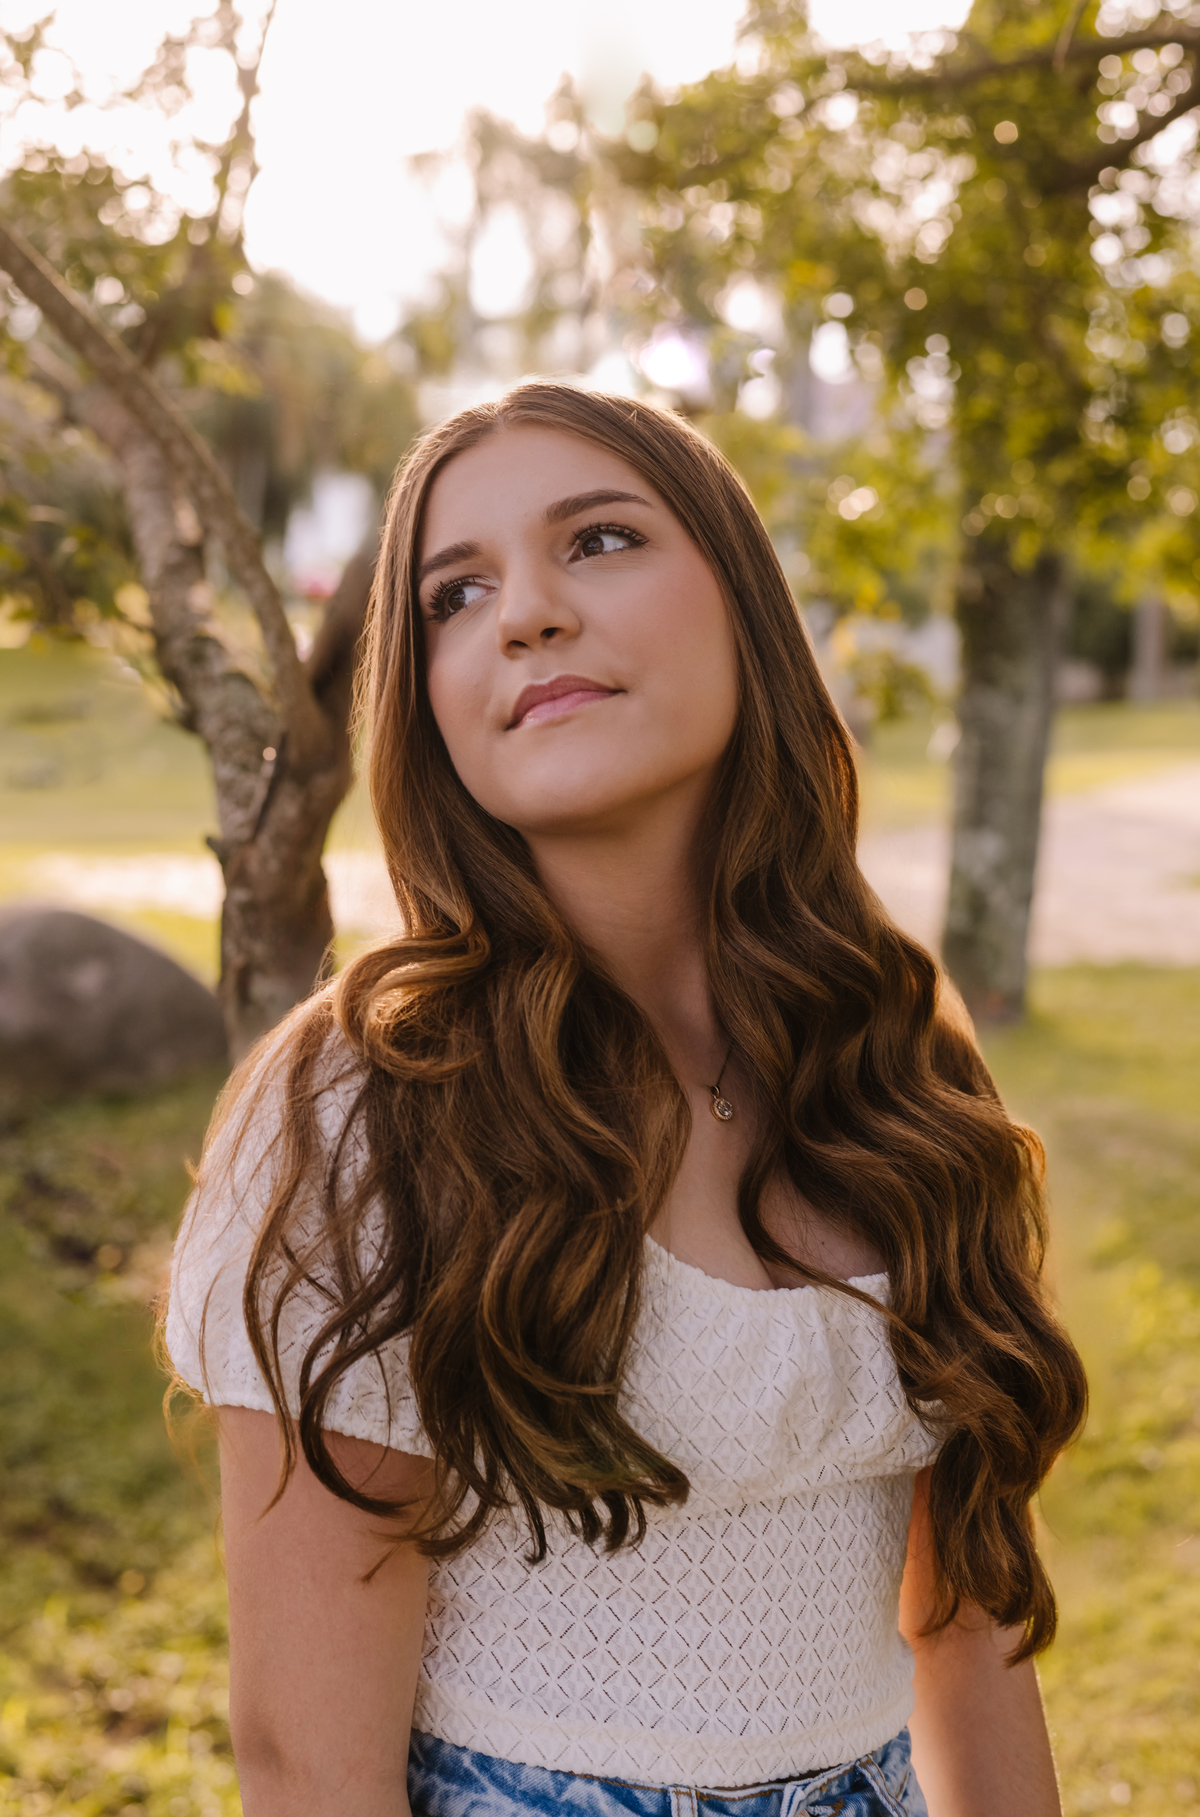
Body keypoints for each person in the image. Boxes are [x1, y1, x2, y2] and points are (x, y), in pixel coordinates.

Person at [165, 381, 1087, 1817]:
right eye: (454, 594)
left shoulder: (895, 1054)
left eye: (596, 541)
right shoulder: (369, 1107)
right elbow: (306, 1764)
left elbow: (969, 1633)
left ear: (743, 607)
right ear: (427, 700)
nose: (524, 612)